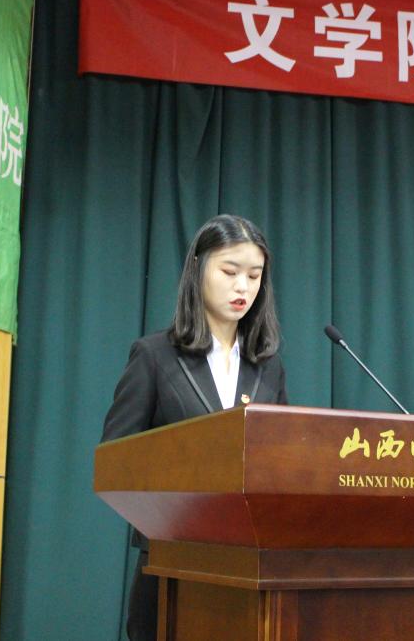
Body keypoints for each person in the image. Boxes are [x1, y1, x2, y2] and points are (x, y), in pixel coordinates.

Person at [101, 214, 288, 641]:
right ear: (198, 268)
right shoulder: (154, 356)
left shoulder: (268, 366)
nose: (243, 287)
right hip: (172, 566)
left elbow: (279, 463)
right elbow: (116, 460)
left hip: (248, 575)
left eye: (254, 276)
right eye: (230, 271)